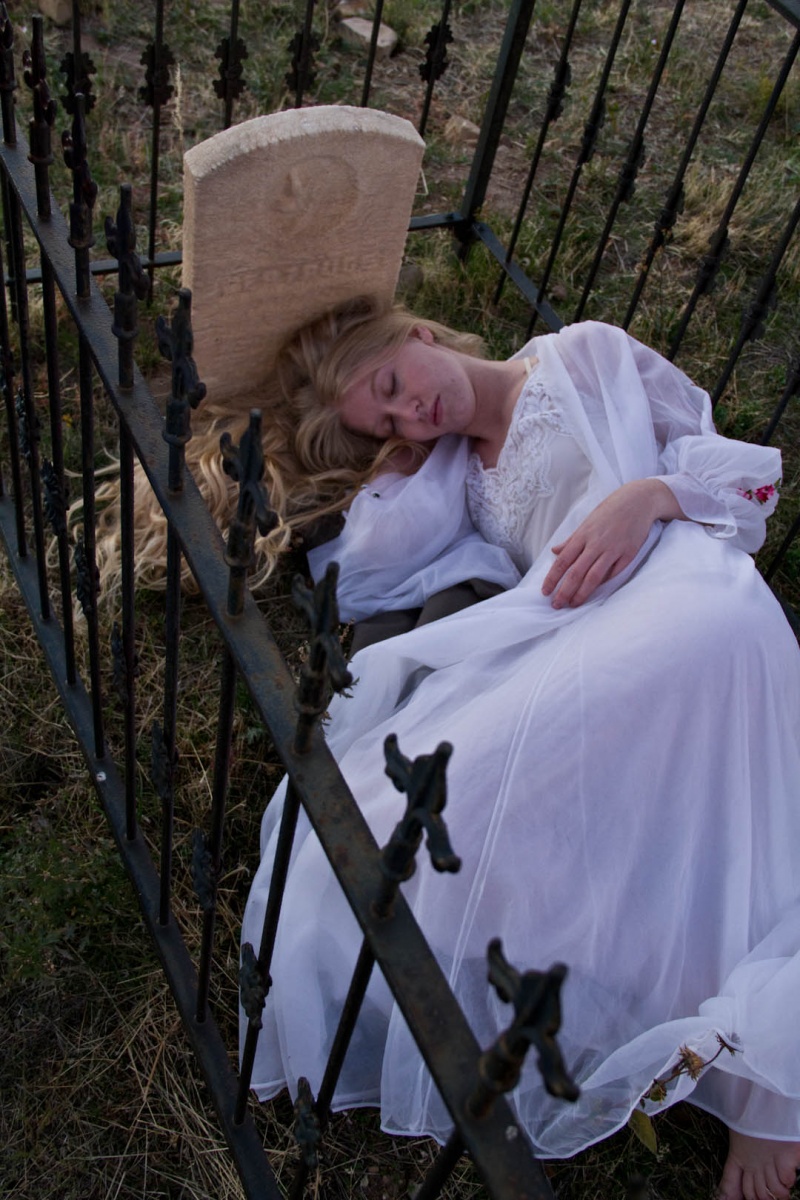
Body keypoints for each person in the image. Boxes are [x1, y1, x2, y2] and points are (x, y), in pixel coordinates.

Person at [238, 296, 800, 1200]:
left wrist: (644, 499)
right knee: (400, 815)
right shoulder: (456, 477)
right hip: (587, 642)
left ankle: (761, 1086)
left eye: (393, 385)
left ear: (418, 332)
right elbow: (377, 560)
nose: (408, 413)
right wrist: (379, 462)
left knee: (702, 828)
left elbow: (738, 481)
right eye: (385, 419)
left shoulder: (582, 355)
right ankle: (691, 1019)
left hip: (688, 598)